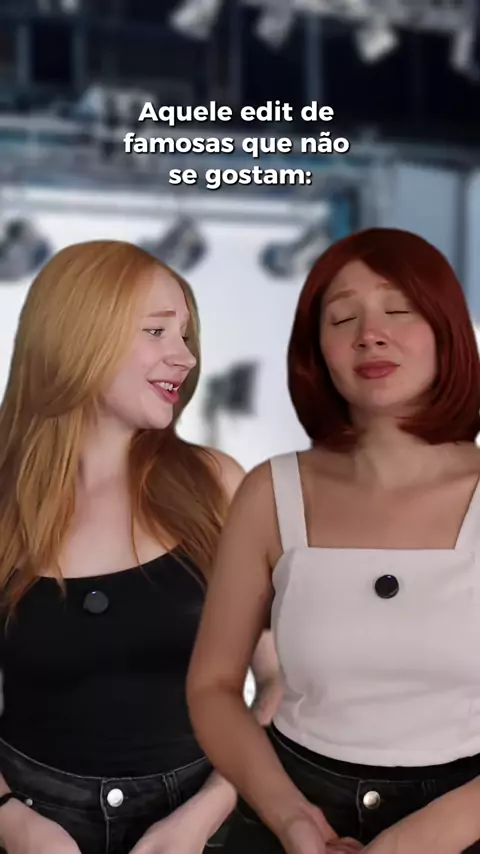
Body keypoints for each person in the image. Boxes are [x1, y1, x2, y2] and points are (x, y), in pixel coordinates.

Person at [186, 227, 480, 854]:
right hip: (290, 813)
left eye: (399, 310)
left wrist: (409, 843)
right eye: (343, 318)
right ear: (316, 351)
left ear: (448, 329)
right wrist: (292, 819)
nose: (370, 334)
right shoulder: (270, 492)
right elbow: (212, 688)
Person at [0, 240, 281, 854]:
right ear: (76, 334)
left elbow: (283, 683)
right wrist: (14, 823)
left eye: (186, 335)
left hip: (204, 820)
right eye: (157, 331)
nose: (185, 357)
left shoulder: (219, 485)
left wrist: (203, 816)